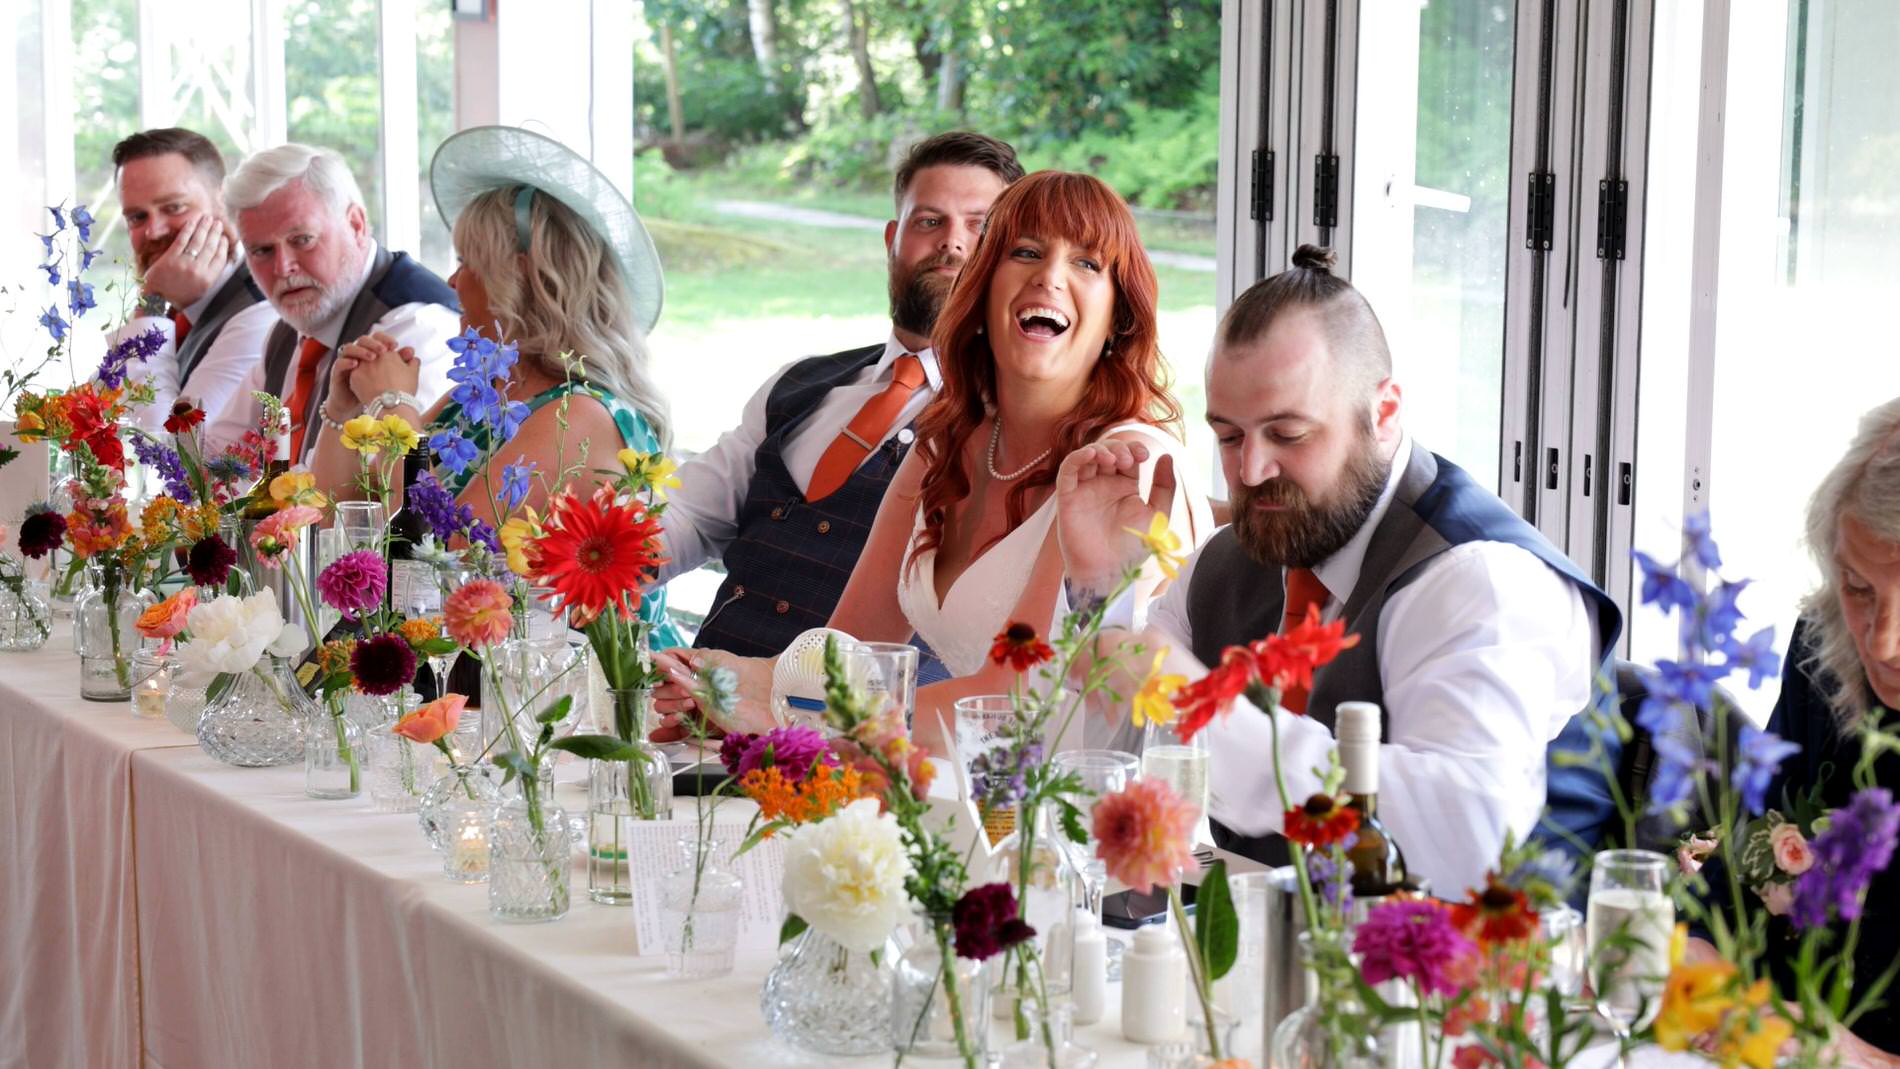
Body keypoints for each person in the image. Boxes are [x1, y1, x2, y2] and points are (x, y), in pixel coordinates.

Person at [1054, 246, 1619, 896]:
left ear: (1383, 413)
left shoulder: (1476, 578)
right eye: (1230, 436)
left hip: (1489, 981)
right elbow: (1099, 779)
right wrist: (1107, 591)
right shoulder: (1231, 556)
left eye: (1288, 434)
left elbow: (1473, 843)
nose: (1250, 471)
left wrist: (1203, 709)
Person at [655, 171, 1212, 755]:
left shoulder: (1124, 466)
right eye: (1025, 253)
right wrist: (734, 682)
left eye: (1087, 264)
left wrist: (796, 719)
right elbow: (850, 649)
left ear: (1118, 315)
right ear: (982, 287)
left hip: (1097, 816)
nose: (1049, 276)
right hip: (971, 795)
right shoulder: (942, 442)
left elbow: (1009, 700)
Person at [306, 125, 683, 648]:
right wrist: (342, 410)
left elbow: (446, 564)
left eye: (467, 262)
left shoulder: (580, 416)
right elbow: (335, 517)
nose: (454, 281)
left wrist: (396, 406)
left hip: (586, 698)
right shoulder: (485, 396)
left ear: (522, 280)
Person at [655, 131, 1023, 662]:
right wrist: (579, 566)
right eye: (930, 221)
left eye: (979, 226)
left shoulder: (1008, 424)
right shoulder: (799, 385)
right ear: (892, 238)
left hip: (861, 733)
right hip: (697, 717)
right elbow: (690, 516)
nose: (953, 243)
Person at [1708, 397, 1900, 1063]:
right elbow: (1747, 847)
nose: (1883, 640)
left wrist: (1860, 1056)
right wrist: (1702, 957)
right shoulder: (1824, 648)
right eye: (1860, 587)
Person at [202, 144, 461, 462]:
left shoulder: (418, 327)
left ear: (356, 225)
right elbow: (216, 455)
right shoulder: (286, 333)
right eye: (262, 251)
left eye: (302, 240)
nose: (283, 267)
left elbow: (376, 487)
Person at [105, 127, 273, 432]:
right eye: (137, 218)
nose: (153, 231)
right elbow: (97, 414)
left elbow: (168, 451)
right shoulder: (177, 303)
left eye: (174, 208)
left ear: (224, 201)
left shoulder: (260, 311)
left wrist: (151, 300)